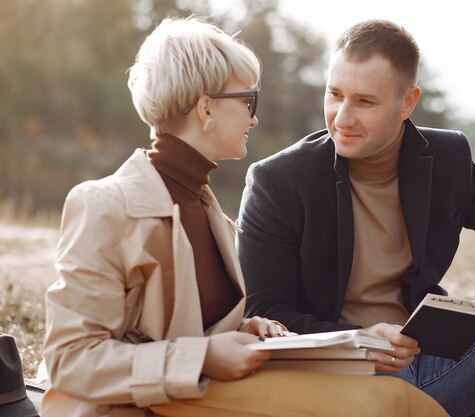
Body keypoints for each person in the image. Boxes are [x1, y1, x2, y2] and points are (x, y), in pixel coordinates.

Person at [42, 17, 448, 417]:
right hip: (136, 407)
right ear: (206, 109)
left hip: (197, 395)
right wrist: (202, 356)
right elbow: (71, 359)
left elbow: (178, 323)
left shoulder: (205, 207)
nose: (254, 118)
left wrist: (241, 329)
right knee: (384, 404)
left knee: (398, 400)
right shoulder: (105, 205)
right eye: (247, 101)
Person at [237, 19, 475, 417]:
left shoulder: (446, 158)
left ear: (408, 102)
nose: (342, 118)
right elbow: (266, 312)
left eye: (364, 102)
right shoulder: (278, 180)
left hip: (434, 359)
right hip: (347, 370)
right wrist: (358, 340)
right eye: (335, 95)